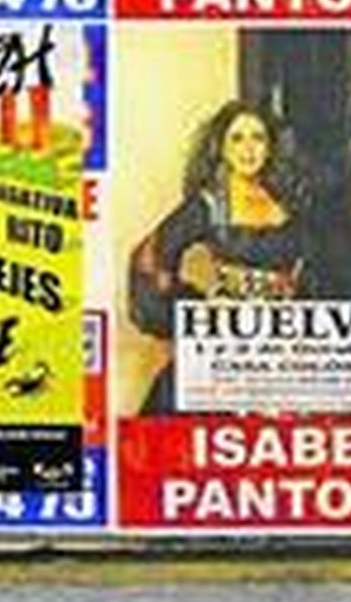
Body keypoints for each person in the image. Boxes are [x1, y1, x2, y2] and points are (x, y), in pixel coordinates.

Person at [129, 100, 311, 414]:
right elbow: (150, 258)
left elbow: (312, 265)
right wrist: (194, 309)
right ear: (222, 148)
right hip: (227, 340)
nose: (248, 149)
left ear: (270, 147)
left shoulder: (289, 199)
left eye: (258, 138)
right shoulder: (210, 205)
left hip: (284, 340)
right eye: (237, 139)